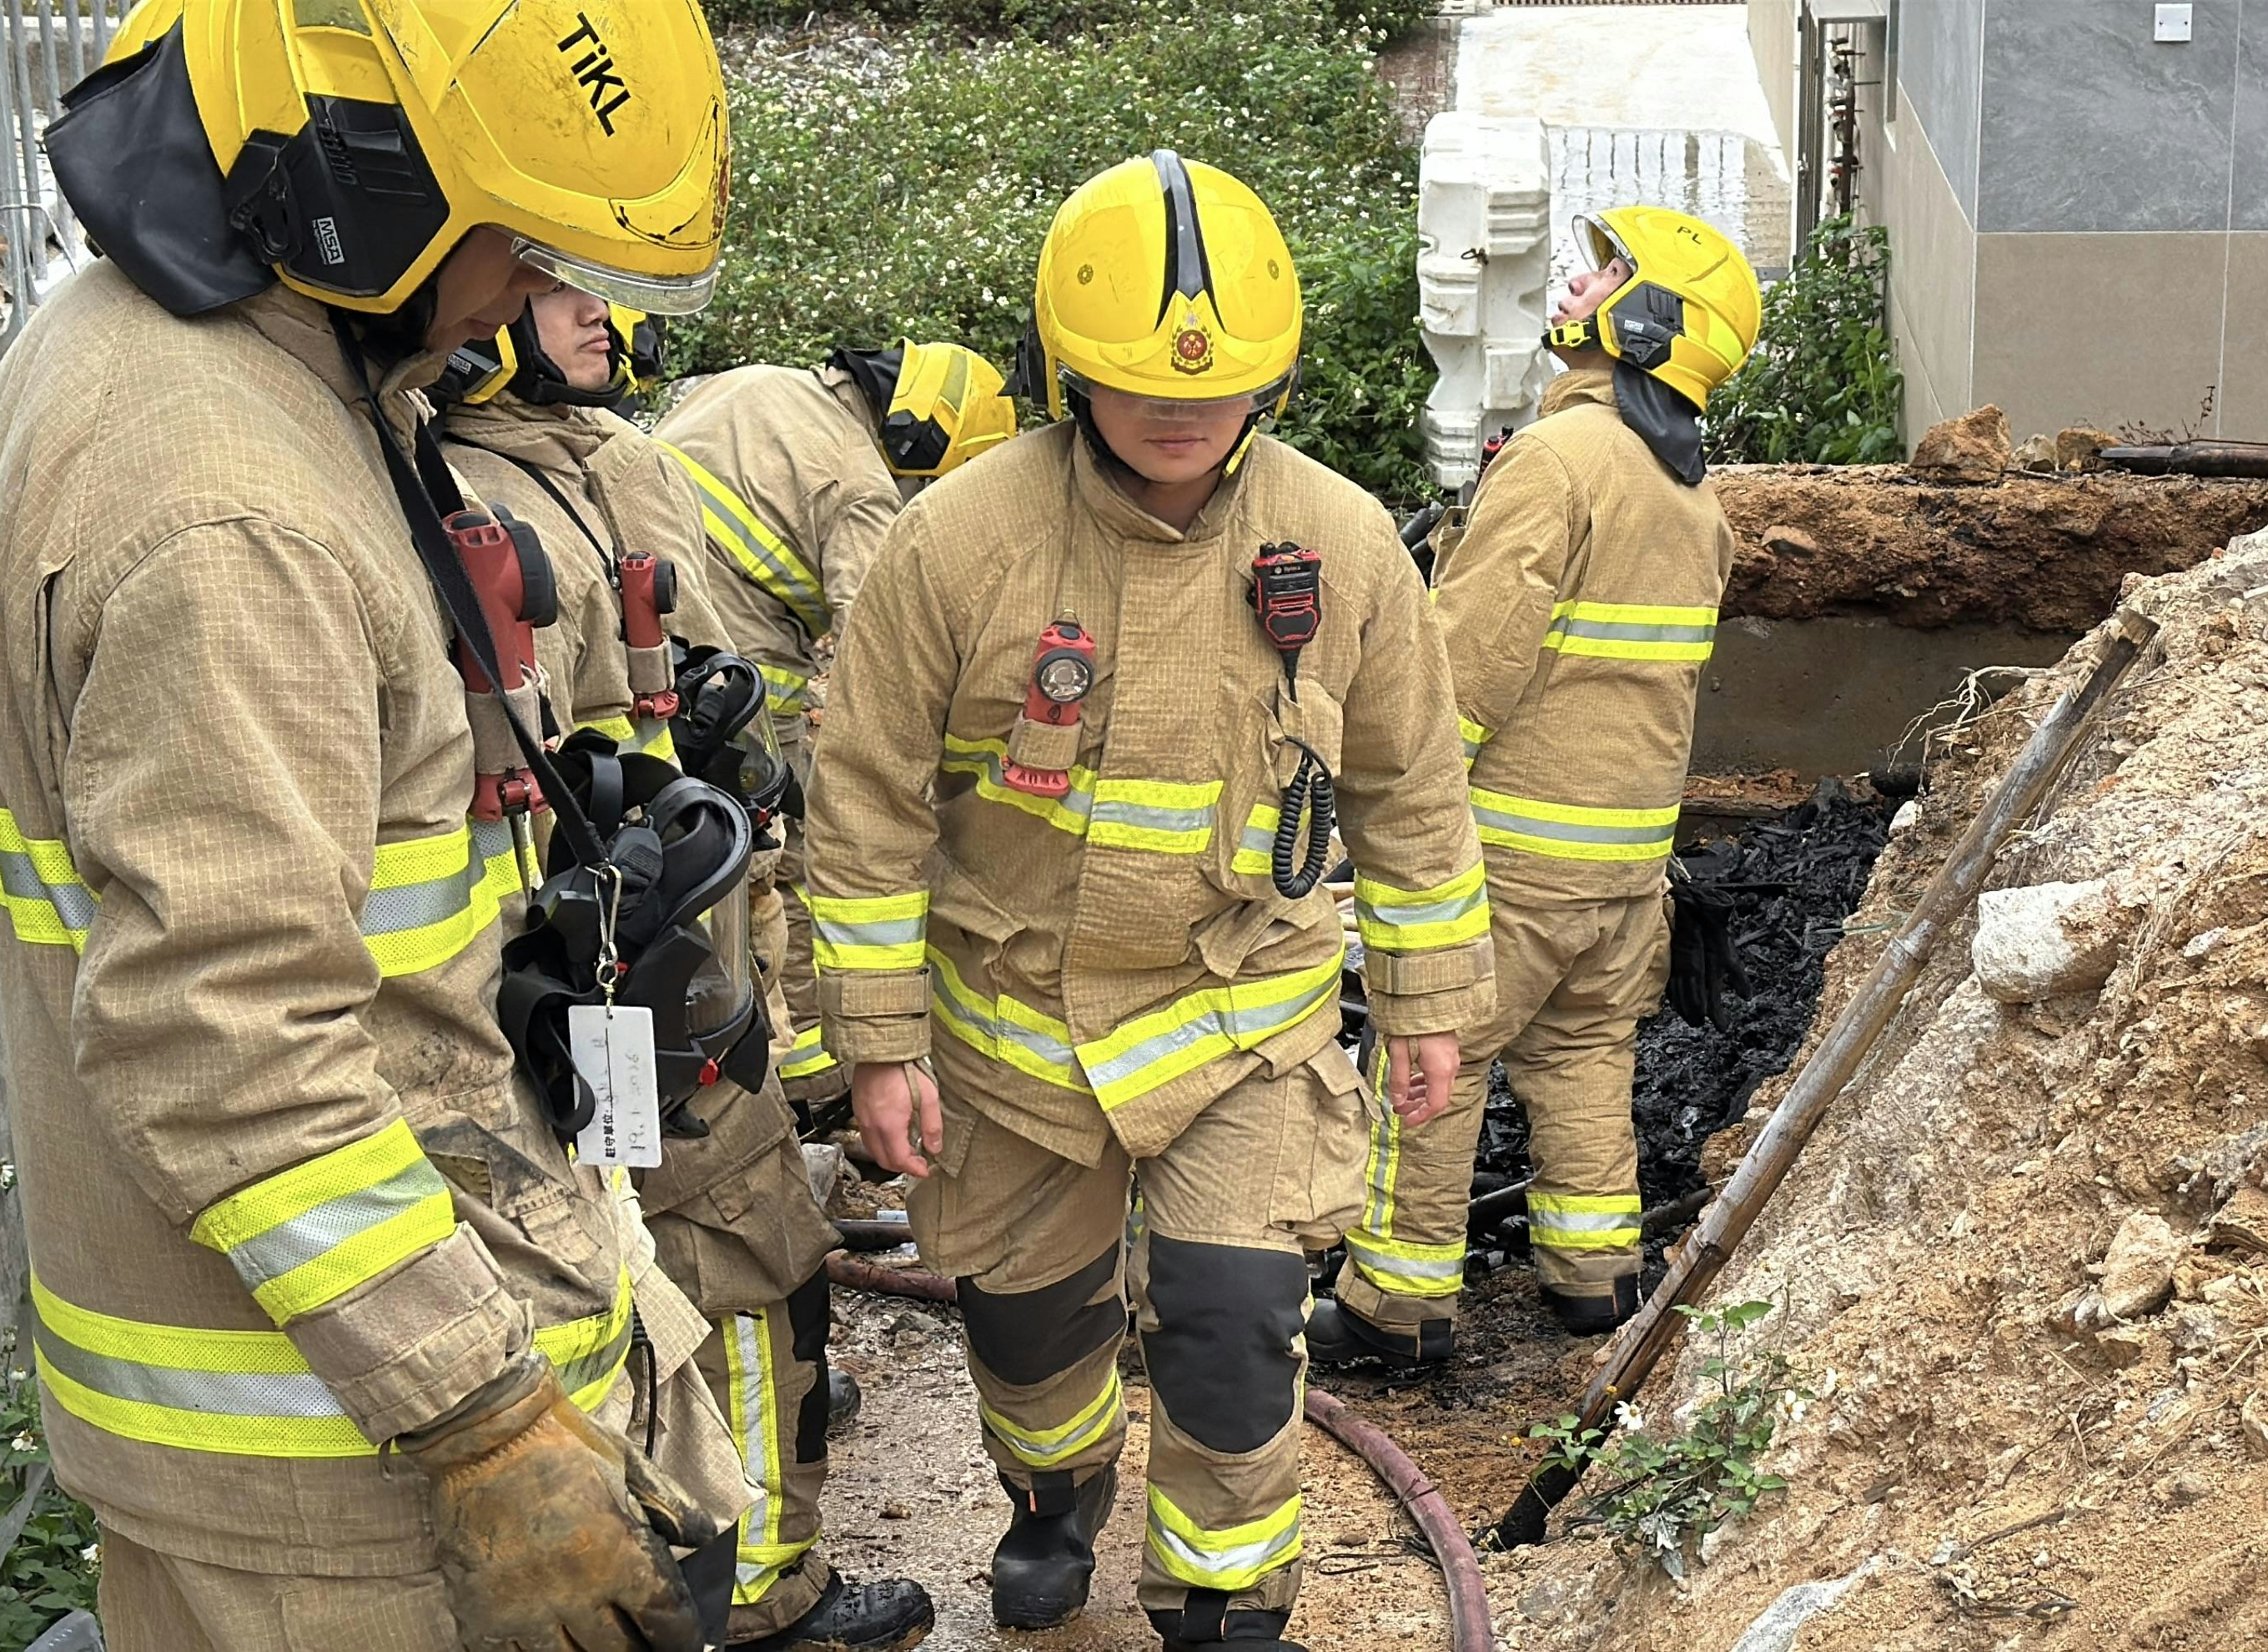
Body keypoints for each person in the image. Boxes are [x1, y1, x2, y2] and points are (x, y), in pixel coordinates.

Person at [0, 3, 747, 1647]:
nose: (526, 299)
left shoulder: (228, 358)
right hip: (349, 1485)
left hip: (329, 1413)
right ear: (362, 179)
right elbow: (226, 1039)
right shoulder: (233, 513)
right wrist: (488, 1429)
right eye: (517, 242)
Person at [803, 151, 1494, 1651]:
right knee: (1030, 1338)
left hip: (1243, 1027)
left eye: (1226, 384)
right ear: (1066, 368)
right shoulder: (960, 540)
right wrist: (877, 1041)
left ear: (1279, 379)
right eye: (1137, 381)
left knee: (1238, 1335)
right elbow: (862, 801)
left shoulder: (1345, 541)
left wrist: (1438, 1006)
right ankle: (1055, 1498)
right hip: (1017, 1041)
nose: (1183, 412)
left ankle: (1225, 1598)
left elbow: (1414, 796)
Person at [435, 291, 930, 1649]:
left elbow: (705, 699)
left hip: (649, 963)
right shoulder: (451, 481)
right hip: (585, 991)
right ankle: (764, 1584)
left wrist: (728, 779)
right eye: (556, 280)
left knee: (677, 1256)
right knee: (742, 1249)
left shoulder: (604, 460)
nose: (604, 314)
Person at [1313, 206, 1763, 1368]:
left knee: (1432, 1065)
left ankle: (1393, 1310)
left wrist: (1390, 814)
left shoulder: (1561, 462)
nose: (1576, 281)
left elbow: (1465, 666)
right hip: (1626, 871)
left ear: (1653, 319)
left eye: (1605, 273)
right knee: (1579, 1064)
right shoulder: (1692, 500)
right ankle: (1597, 1281)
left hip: (1510, 861)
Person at [656, 340, 1018, 1109]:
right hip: (739, 686)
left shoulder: (753, 380)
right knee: (777, 866)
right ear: (923, 441)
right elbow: (883, 662)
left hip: (647, 652)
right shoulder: (859, 485)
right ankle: (805, 1074)